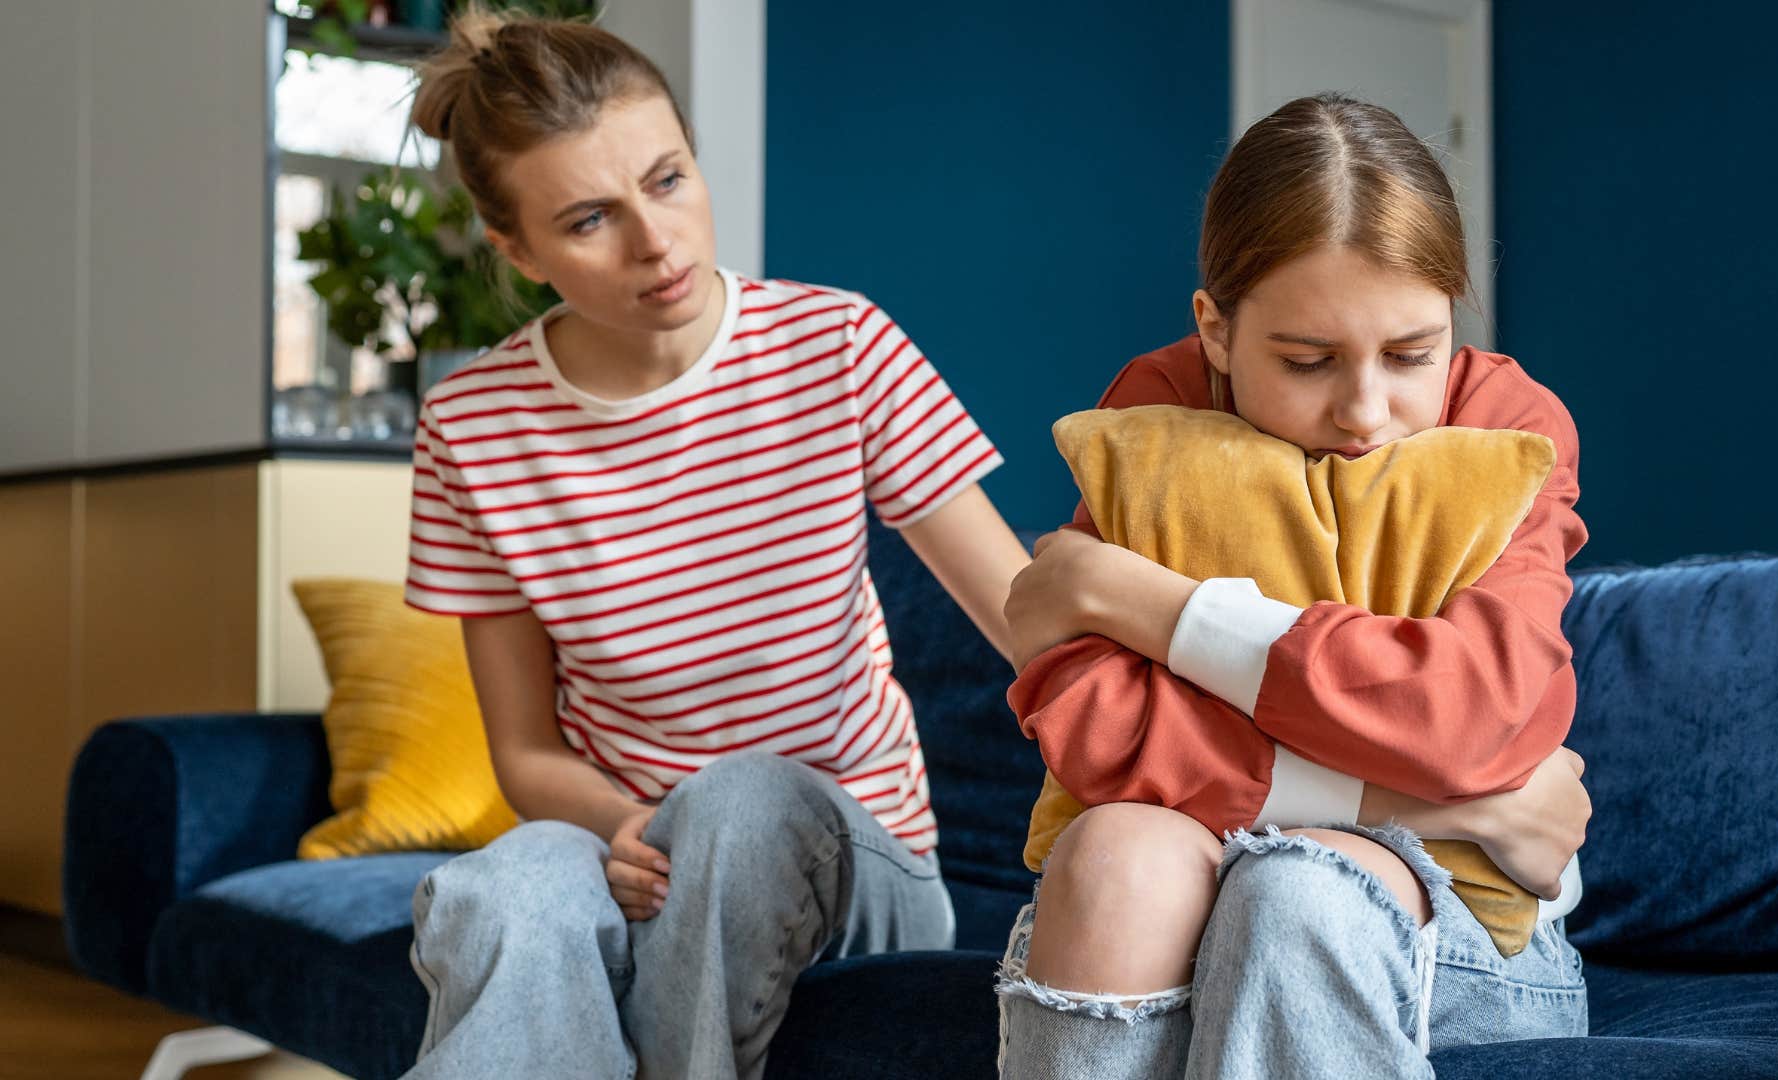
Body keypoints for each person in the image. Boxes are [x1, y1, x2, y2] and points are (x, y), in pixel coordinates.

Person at [391, 11, 1031, 1079]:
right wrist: (624, 823)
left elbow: (1029, 625)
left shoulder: (839, 347)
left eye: (669, 179)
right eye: (591, 219)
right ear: (516, 248)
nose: (657, 241)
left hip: (854, 856)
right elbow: (525, 754)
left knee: (739, 803)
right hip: (630, 843)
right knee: (497, 895)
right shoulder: (473, 426)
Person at [996, 93, 1594, 1078]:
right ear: (1218, 330)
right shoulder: (1158, 410)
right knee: (1112, 857)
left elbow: (1471, 714)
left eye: (1411, 356)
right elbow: (1096, 726)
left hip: (1455, 927)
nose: (1366, 412)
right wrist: (1450, 801)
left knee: (1295, 891)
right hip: (1301, 859)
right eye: (1308, 361)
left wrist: (1152, 605)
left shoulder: (1508, 424)